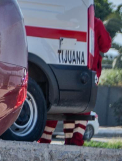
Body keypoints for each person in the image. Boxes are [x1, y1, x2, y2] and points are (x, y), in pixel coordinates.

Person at [40, 13, 111, 146]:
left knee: (56, 106)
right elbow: (106, 45)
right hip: (87, 72)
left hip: (61, 69)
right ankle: (74, 142)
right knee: (82, 108)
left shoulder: (63, 20)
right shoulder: (95, 23)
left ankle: (44, 141)